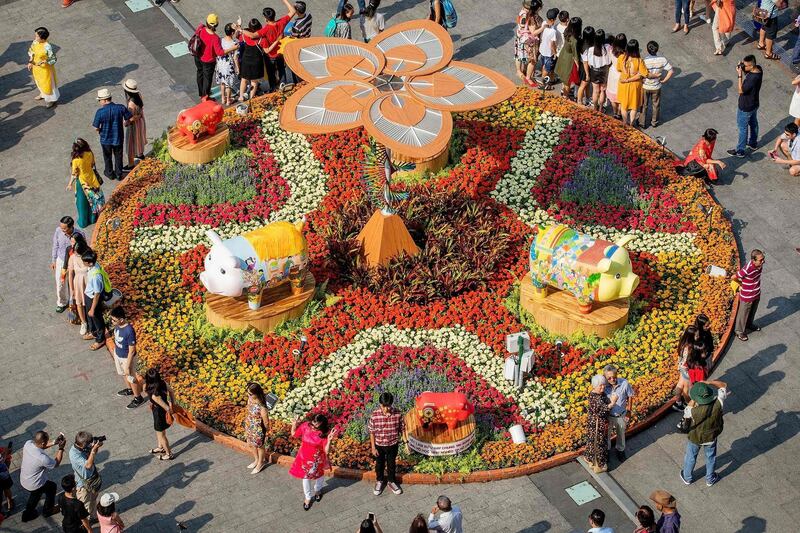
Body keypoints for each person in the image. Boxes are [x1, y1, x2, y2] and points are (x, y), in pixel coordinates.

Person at [680, 380, 728, 487]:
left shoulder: (690, 411)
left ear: (697, 399)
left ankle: (687, 477)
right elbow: (723, 385)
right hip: (711, 436)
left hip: (695, 437)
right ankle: (710, 479)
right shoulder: (719, 402)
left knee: (691, 456)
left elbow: (688, 407)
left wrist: (694, 398)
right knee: (711, 457)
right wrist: (708, 382)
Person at [289, 413, 338, 511]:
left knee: (319, 475)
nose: (314, 424)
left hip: (317, 459)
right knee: (305, 478)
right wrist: (294, 424)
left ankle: (318, 490)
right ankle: (307, 497)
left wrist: (329, 440)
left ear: (322, 424)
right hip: (304, 458)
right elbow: (294, 434)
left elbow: (326, 451)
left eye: (317, 423)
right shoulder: (305, 426)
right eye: (313, 422)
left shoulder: (324, 434)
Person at [20, 430, 66, 522]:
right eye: (47, 441)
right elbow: (56, 464)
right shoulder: (42, 458)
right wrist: (61, 448)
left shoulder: (28, 444)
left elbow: (41, 446)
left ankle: (27, 515)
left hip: (24, 479)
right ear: (43, 442)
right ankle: (47, 511)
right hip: (34, 484)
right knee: (51, 488)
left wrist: (54, 442)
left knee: (36, 495)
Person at [368, 392, 404, 496]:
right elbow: (371, 432)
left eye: (388, 406)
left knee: (391, 464)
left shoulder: (397, 413)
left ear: (391, 404)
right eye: (384, 406)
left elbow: (402, 428)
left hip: (393, 444)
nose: (386, 409)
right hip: (379, 445)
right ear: (380, 404)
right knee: (379, 464)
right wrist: (373, 447)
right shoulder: (374, 415)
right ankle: (379, 481)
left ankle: (391, 481)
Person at [92, 89, 132, 181]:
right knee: (119, 156)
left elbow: (96, 128)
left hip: (105, 139)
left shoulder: (100, 112)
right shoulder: (120, 108)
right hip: (118, 137)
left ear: (104, 100)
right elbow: (128, 119)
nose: (99, 102)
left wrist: (100, 131)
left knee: (107, 157)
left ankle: (109, 173)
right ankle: (119, 174)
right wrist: (125, 124)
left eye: (99, 100)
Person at [109, 307, 145, 409]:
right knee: (124, 374)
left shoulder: (129, 331)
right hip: (118, 354)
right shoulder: (118, 326)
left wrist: (128, 365)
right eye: (112, 319)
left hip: (126, 358)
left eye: (114, 320)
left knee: (131, 377)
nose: (112, 322)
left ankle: (138, 397)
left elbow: (132, 350)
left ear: (121, 320)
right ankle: (130, 390)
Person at [727, 55, 762, 158]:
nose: (743, 67)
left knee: (742, 128)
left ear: (751, 66)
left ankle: (740, 150)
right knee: (753, 123)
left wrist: (739, 75)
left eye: (745, 65)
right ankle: (753, 143)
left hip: (745, 106)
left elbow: (740, 90)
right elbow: (749, 71)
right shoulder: (759, 69)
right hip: (754, 104)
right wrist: (743, 68)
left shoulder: (751, 78)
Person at [52, 216, 85, 313]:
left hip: (74, 261)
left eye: (64, 228)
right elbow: (55, 245)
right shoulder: (58, 231)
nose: (62, 230)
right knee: (60, 283)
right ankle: (61, 302)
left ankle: (74, 302)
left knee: (74, 283)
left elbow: (84, 248)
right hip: (61, 260)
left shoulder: (79, 234)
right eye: (61, 227)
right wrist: (54, 260)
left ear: (71, 227)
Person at [730, 249, 765, 341]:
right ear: (753, 260)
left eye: (763, 259)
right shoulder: (748, 268)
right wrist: (742, 283)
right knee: (743, 314)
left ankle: (749, 325)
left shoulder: (759, 265)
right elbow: (734, 277)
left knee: (752, 311)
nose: (763, 261)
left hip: (756, 293)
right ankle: (739, 331)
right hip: (747, 295)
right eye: (761, 260)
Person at [68, 139, 102, 228]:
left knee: (81, 203)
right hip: (92, 179)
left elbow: (74, 174)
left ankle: (83, 222)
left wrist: (70, 184)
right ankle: (93, 218)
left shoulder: (76, 160)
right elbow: (92, 164)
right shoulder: (90, 153)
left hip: (82, 182)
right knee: (92, 200)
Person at [639, 41, 673, 128]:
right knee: (656, 104)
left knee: (644, 105)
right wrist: (664, 80)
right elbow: (671, 70)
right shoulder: (662, 59)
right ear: (657, 49)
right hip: (656, 86)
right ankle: (654, 122)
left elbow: (641, 73)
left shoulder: (644, 61)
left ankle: (642, 122)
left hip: (645, 86)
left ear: (647, 50)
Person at [604, 364, 634, 462]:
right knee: (606, 435)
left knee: (621, 434)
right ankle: (607, 451)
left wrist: (629, 411)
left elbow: (630, 396)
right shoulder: (603, 386)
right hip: (608, 416)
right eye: (609, 378)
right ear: (605, 378)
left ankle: (620, 450)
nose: (612, 379)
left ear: (617, 374)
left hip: (621, 414)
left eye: (614, 376)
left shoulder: (624, 383)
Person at [69, 431, 102, 518]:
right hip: (83, 485)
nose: (91, 444)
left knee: (93, 500)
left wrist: (95, 448)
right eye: (89, 443)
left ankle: (93, 515)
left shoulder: (83, 448)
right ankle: (87, 520)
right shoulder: (74, 454)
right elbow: (88, 465)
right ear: (83, 444)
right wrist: (93, 450)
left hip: (92, 480)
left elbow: (92, 457)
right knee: (85, 505)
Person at [145, 368, 176, 460]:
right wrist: (173, 403)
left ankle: (168, 454)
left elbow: (165, 407)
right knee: (158, 431)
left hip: (159, 413)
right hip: (159, 410)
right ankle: (160, 447)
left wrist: (171, 410)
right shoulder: (162, 383)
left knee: (161, 434)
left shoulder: (154, 394)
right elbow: (171, 391)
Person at [193, 14, 225, 100]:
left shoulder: (201, 28)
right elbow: (220, 52)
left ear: (207, 22)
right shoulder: (215, 38)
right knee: (207, 78)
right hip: (208, 61)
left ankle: (201, 93)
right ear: (216, 24)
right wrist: (233, 48)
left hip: (197, 56)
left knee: (200, 73)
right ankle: (205, 96)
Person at [616, 39, 648, 126]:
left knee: (624, 106)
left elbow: (618, 69)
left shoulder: (621, 58)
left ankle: (624, 123)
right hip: (635, 86)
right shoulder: (639, 61)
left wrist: (626, 79)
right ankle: (631, 124)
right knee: (634, 107)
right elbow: (643, 74)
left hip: (623, 84)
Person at [585, 374, 613, 472]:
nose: (603, 387)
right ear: (594, 385)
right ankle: (598, 465)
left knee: (592, 442)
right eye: (600, 385)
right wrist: (612, 403)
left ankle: (589, 458)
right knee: (598, 443)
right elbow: (602, 410)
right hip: (597, 424)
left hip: (597, 422)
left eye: (603, 385)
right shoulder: (595, 398)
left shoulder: (598, 394)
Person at [82, 250, 108, 350]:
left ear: (90, 263)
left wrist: (93, 308)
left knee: (97, 318)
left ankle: (100, 339)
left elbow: (97, 294)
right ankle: (94, 332)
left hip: (93, 298)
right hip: (89, 295)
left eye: (84, 261)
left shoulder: (96, 276)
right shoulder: (93, 266)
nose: (83, 263)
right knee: (90, 317)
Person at [28, 27, 59, 108]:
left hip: (45, 69)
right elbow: (32, 52)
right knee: (39, 82)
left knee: (47, 84)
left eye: (37, 36)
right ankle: (42, 94)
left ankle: (50, 100)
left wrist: (44, 61)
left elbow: (53, 58)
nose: (35, 38)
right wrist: (30, 62)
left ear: (42, 38)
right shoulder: (35, 42)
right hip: (36, 68)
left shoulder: (47, 46)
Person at [243, 382, 271, 474]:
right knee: (251, 444)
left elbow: (266, 422)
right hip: (249, 426)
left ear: (256, 393)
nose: (248, 395)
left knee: (260, 446)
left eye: (250, 394)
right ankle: (256, 460)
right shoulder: (250, 399)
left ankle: (260, 463)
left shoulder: (262, 407)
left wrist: (266, 430)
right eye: (248, 393)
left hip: (258, 429)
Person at [514, 0, 544, 85]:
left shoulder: (522, 12)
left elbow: (521, 24)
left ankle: (519, 71)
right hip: (528, 40)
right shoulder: (530, 16)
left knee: (519, 55)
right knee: (533, 60)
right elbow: (532, 31)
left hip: (520, 37)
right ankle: (528, 77)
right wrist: (542, 27)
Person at [582, 28, 612, 110]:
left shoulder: (591, 49)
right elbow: (609, 62)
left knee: (595, 91)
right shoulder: (608, 47)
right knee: (602, 91)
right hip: (604, 71)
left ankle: (595, 108)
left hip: (594, 71)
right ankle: (601, 108)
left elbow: (588, 62)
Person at [238, 19, 266, 101]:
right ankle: (251, 97)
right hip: (256, 61)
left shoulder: (244, 36)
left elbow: (238, 35)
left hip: (246, 60)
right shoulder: (261, 38)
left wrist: (239, 26)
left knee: (244, 79)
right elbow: (264, 50)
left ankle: (241, 96)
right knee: (254, 81)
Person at [122, 79, 146, 169]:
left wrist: (126, 123)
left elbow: (132, 117)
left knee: (130, 144)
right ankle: (140, 155)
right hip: (141, 122)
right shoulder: (138, 95)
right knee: (139, 140)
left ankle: (131, 164)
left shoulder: (131, 104)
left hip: (134, 125)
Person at [555, 17, 581, 98]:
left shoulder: (567, 31)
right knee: (568, 80)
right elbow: (575, 54)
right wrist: (578, 65)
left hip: (564, 55)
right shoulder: (574, 40)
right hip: (569, 60)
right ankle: (565, 96)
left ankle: (563, 91)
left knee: (564, 78)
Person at [215, 24, 240, 106]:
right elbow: (235, 57)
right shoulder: (235, 43)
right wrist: (237, 68)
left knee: (222, 82)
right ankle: (228, 100)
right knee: (228, 84)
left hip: (220, 65)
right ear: (233, 33)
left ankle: (223, 99)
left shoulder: (220, 40)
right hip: (229, 66)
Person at [538, 8, 559, 90]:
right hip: (548, 53)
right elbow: (552, 44)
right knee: (546, 69)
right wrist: (554, 53)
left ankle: (552, 80)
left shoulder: (544, 23)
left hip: (542, 50)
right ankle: (543, 84)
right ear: (553, 19)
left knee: (544, 66)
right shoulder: (553, 31)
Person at [607, 33, 626, 118]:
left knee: (612, 93)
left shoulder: (611, 50)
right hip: (621, 75)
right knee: (621, 95)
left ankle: (615, 112)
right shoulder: (626, 55)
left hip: (612, 73)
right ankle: (619, 112)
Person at [577, 26, 594, 105]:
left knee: (587, 84)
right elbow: (585, 62)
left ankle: (587, 98)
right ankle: (579, 101)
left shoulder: (581, 42)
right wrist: (587, 74)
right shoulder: (586, 48)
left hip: (582, 67)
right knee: (583, 86)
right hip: (585, 69)